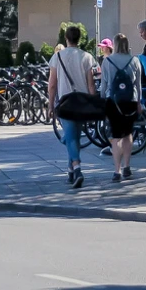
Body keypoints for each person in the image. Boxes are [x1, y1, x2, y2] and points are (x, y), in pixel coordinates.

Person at [48, 23, 97, 189]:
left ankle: (76, 168)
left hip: (66, 101)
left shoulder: (58, 57)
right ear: (79, 38)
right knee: (74, 135)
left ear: (66, 38)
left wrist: (50, 103)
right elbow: (91, 84)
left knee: (70, 136)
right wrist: (93, 102)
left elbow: (52, 84)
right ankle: (70, 170)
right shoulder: (87, 57)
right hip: (82, 101)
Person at [100, 31, 141, 183]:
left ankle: (116, 171)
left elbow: (104, 85)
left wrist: (102, 101)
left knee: (115, 136)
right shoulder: (135, 61)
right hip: (130, 101)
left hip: (113, 102)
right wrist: (139, 102)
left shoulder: (107, 61)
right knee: (128, 134)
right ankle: (127, 166)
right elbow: (138, 85)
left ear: (115, 45)